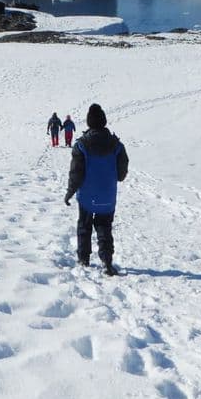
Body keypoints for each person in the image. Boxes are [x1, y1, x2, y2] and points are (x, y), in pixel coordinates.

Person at [64, 104, 129, 276]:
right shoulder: (117, 145)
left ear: (89, 123)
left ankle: (84, 258)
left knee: (84, 226)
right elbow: (122, 173)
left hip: (87, 195)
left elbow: (76, 173)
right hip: (107, 195)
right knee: (104, 227)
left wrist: (70, 192)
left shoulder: (81, 145)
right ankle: (107, 261)